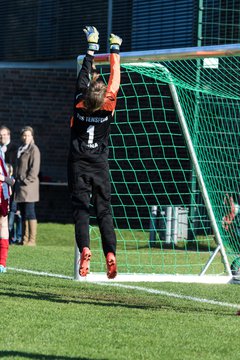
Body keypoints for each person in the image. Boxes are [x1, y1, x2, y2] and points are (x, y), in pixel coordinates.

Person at [68, 26, 122, 279]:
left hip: (78, 163)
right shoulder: (108, 104)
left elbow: (83, 75)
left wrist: (92, 45)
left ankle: (86, 248)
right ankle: (110, 253)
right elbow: (115, 78)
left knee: (81, 210)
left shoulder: (79, 102)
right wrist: (115, 48)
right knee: (104, 211)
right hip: (100, 164)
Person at [14, 126, 41, 246]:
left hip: (29, 187)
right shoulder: (20, 149)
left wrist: (25, 180)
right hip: (20, 187)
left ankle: (32, 240)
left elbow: (34, 169)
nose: (26, 137)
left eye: (29, 135)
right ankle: (24, 240)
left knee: (30, 212)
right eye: (24, 135)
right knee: (23, 213)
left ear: (32, 137)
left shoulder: (34, 149)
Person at [0, 148, 15, 272]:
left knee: (3, 224)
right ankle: (2, 263)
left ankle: (2, 263)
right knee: (3, 225)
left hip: (2, 190)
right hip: (3, 189)